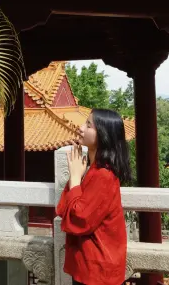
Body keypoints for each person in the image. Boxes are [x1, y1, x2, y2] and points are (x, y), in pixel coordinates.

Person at [56, 109, 130, 285]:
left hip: (97, 268)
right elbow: (64, 209)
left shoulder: (103, 175)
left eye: (89, 125)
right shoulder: (93, 170)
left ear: (103, 135)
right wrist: (77, 176)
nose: (80, 128)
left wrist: (74, 177)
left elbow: (79, 219)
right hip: (89, 264)